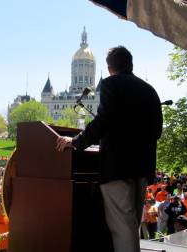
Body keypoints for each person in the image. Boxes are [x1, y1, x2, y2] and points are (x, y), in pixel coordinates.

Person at [56, 46, 163, 252]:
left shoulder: (110, 84)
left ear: (109, 68)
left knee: (122, 227)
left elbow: (103, 121)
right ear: (130, 64)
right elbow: (157, 131)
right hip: (141, 169)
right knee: (131, 226)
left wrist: (76, 141)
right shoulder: (149, 90)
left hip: (117, 167)